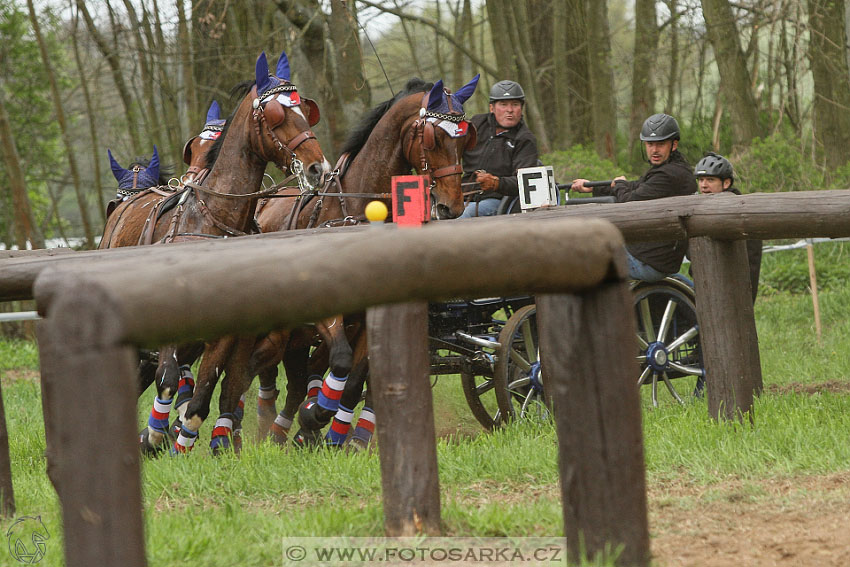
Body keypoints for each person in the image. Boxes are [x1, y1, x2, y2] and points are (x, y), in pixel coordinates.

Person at [571, 113, 697, 281]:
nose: (654, 150)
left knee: (579, 250)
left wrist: (621, 185)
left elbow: (629, 202)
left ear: (674, 145)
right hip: (657, 256)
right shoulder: (672, 169)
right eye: (650, 144)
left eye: (660, 144)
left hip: (648, 260)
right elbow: (637, 187)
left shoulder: (669, 175)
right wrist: (592, 187)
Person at [459, 80, 539, 218]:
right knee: (430, 211)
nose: (510, 110)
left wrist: (496, 183)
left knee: (464, 215)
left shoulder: (525, 139)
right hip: (463, 194)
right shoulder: (477, 124)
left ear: (521, 108)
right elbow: (452, 147)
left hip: (500, 201)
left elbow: (525, 182)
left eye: (515, 104)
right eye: (503, 104)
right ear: (492, 108)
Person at [693, 151, 762, 302]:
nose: (704, 185)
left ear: (726, 183)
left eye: (710, 180)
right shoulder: (703, 207)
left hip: (733, 290)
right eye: (701, 179)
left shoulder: (739, 211)